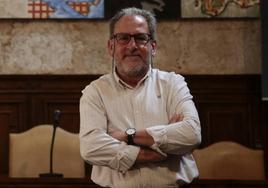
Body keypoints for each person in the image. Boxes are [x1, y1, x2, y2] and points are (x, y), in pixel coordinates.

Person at [79, 7, 201, 188]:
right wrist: (154, 149)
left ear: (152, 47)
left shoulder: (174, 84)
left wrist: (126, 137)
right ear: (111, 47)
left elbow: (191, 135)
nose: (132, 46)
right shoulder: (95, 92)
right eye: (123, 38)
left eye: (140, 38)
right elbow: (91, 147)